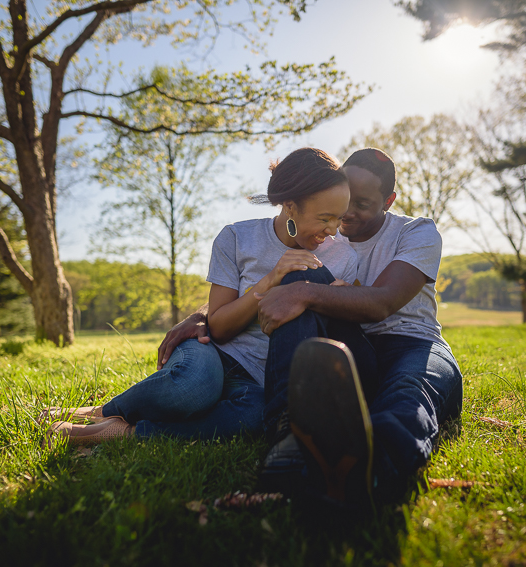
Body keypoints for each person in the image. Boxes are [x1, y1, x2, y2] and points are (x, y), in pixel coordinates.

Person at [160, 147, 463, 505]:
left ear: (388, 201)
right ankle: (290, 435)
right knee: (299, 278)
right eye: (341, 199)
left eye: (361, 203)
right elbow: (265, 278)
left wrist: (305, 292)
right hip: (343, 347)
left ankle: (373, 472)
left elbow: (382, 302)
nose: (345, 213)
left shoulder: (416, 233)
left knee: (406, 393)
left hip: (411, 343)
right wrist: (203, 313)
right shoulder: (321, 230)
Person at [42, 148, 358, 446]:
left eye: (339, 219)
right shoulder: (237, 238)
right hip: (213, 353)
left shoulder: (342, 258)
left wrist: (335, 302)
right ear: (291, 205)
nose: (333, 230)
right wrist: (271, 280)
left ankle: (124, 432)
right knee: (191, 387)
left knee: (256, 417)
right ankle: (103, 412)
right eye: (325, 218)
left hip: (260, 381)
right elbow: (218, 326)